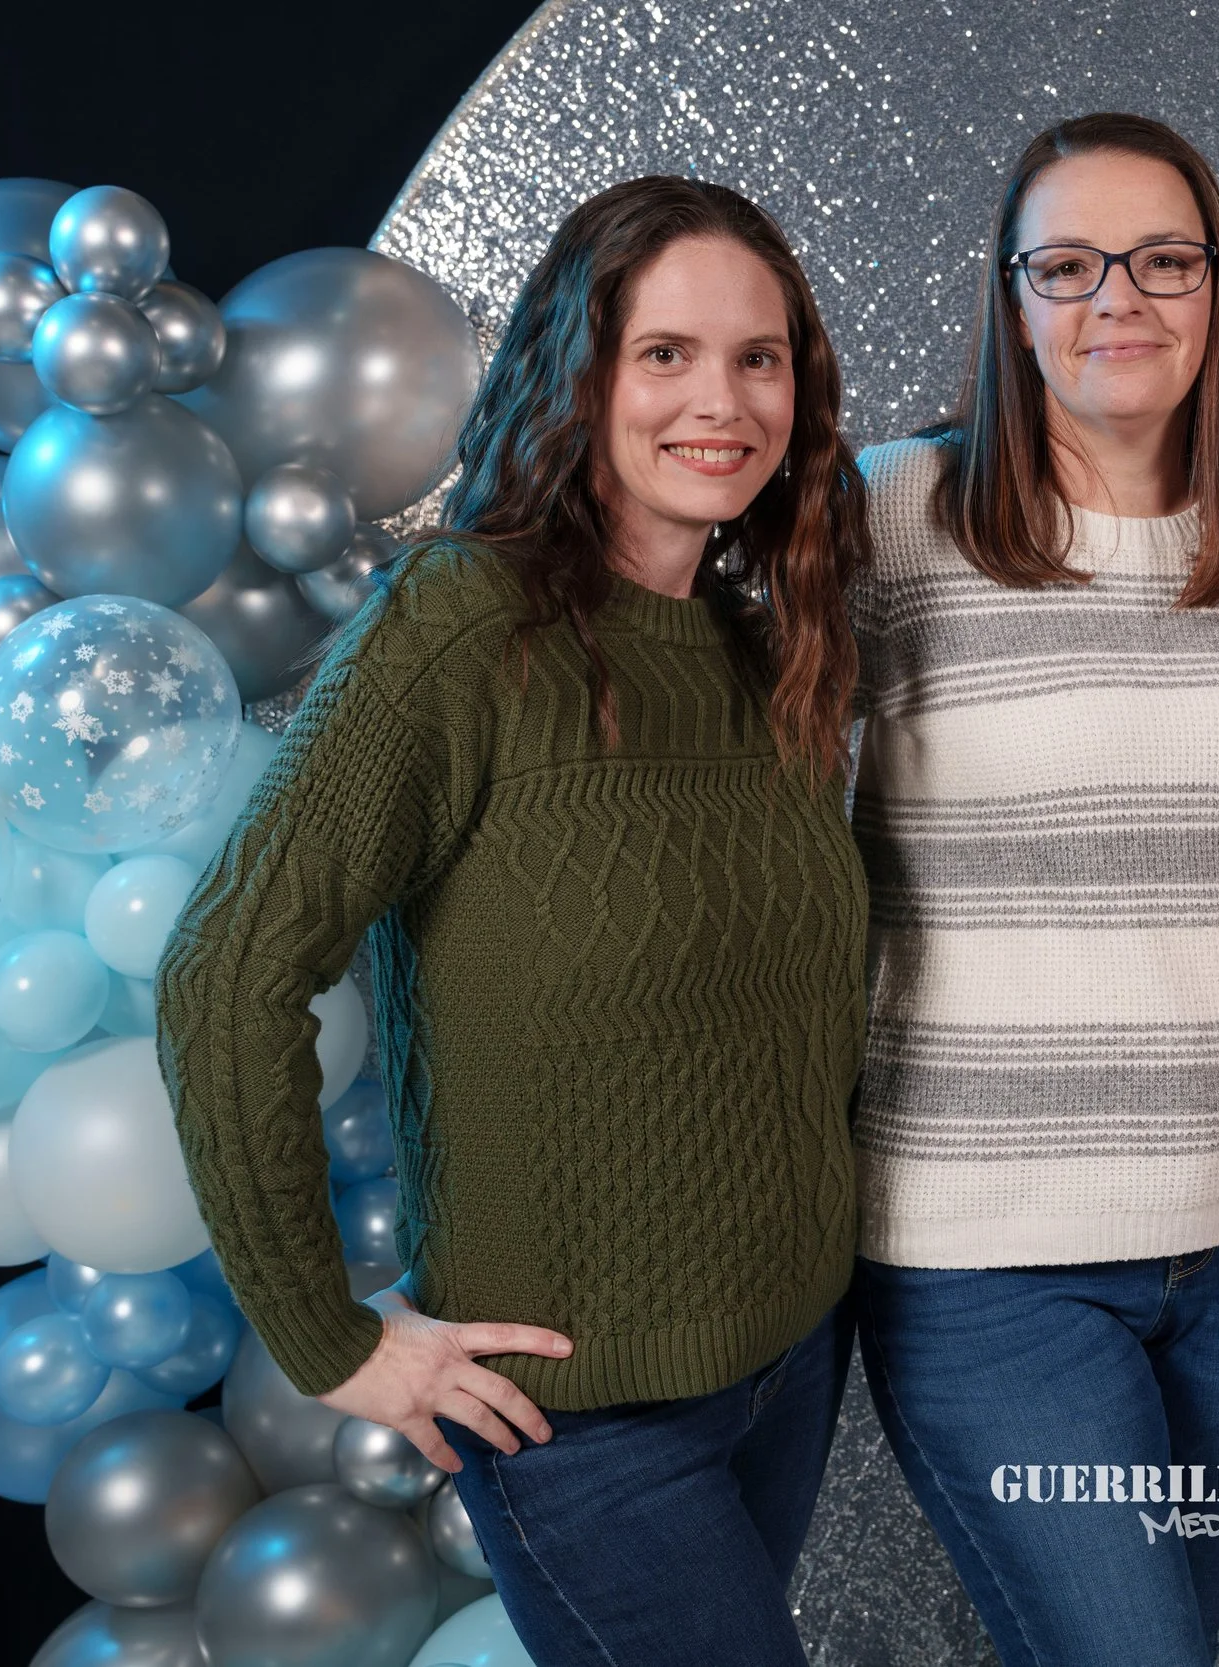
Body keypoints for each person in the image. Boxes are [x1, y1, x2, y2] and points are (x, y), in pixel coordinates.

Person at [155, 175, 873, 1667]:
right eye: (662, 352)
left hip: (792, 1356)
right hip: (581, 1415)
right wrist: (331, 1338)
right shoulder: (463, 625)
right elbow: (227, 973)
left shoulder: (769, 655)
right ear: (579, 370)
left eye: (760, 357)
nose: (719, 400)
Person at [846, 112, 1219, 1667]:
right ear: (1011, 301)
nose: (1114, 298)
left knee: (1193, 1632)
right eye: (1064, 264)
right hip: (989, 1246)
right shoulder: (889, 513)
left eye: (1161, 260)